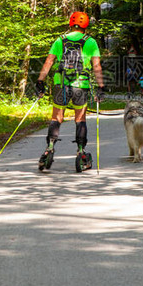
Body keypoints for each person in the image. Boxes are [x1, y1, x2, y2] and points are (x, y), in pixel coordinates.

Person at [34, 11, 105, 172]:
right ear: (86, 25)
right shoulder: (91, 42)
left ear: (70, 24)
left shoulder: (60, 40)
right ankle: (80, 153)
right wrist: (101, 87)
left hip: (60, 83)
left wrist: (40, 81)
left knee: (56, 118)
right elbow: (96, 66)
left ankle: (49, 148)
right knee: (80, 119)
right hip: (81, 85)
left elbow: (49, 61)